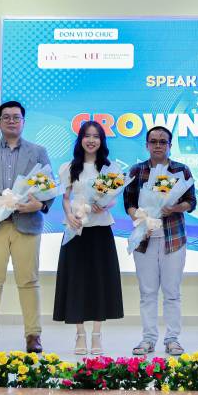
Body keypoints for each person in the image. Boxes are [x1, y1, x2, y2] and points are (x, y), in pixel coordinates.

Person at [0, 100, 52, 353]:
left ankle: (33, 335)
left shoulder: (38, 151)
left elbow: (49, 188)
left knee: (29, 281)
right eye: (6, 117)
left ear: (23, 122)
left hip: (27, 224)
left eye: (16, 117)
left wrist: (39, 205)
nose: (11, 121)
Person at [123, 126, 196, 356]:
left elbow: (191, 202)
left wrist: (174, 207)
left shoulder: (181, 170)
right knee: (147, 293)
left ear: (170, 145)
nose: (157, 145)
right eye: (153, 141)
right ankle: (148, 339)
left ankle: (172, 339)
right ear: (146, 145)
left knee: (172, 292)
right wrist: (141, 218)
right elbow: (128, 202)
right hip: (144, 239)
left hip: (173, 239)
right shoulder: (137, 170)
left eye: (162, 142)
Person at [54, 121, 123, 354]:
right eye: (87, 135)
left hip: (100, 230)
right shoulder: (68, 167)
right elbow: (65, 198)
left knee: (99, 282)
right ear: (80, 139)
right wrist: (69, 216)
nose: (91, 140)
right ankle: (80, 335)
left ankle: (96, 335)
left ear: (102, 141)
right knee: (76, 282)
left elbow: (113, 198)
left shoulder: (110, 168)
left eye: (96, 136)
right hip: (76, 230)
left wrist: (105, 204)